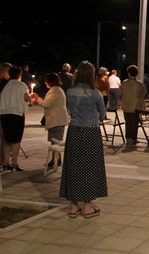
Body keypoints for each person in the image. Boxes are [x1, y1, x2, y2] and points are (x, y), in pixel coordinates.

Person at [59, 61, 107, 219]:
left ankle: (73, 206)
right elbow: (103, 114)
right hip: (91, 132)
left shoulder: (70, 92)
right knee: (90, 167)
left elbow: (70, 109)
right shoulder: (96, 94)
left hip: (74, 131)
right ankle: (87, 205)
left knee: (73, 165)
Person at [31, 73, 69, 167]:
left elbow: (46, 104)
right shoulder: (57, 90)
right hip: (57, 119)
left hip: (56, 120)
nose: (45, 83)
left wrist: (37, 98)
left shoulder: (55, 91)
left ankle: (55, 160)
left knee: (55, 141)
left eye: (46, 81)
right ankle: (56, 159)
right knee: (55, 140)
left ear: (50, 82)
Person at [0, 66, 30, 171]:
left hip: (5, 113)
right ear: (19, 75)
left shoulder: (5, 85)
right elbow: (25, 99)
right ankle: (14, 162)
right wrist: (29, 99)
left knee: (7, 139)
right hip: (16, 114)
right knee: (16, 140)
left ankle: (6, 161)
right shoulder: (21, 85)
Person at [119, 65, 146, 145]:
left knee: (128, 122)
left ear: (129, 73)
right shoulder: (139, 84)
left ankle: (128, 138)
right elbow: (143, 93)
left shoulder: (124, 83)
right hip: (136, 106)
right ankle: (133, 138)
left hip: (126, 105)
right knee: (135, 123)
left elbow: (120, 93)